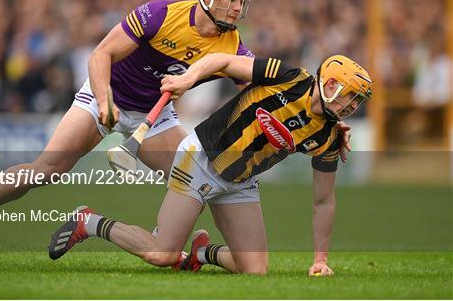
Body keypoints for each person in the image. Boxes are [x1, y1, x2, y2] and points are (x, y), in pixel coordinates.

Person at [0, 0, 256, 266]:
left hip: (154, 115)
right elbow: (101, 53)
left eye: (240, 1)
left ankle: (169, 242)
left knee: (198, 175)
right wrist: (104, 102)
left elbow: (254, 87)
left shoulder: (233, 45)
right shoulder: (160, 15)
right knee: (47, 169)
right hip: (106, 95)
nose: (236, 8)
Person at [47, 53, 372, 276]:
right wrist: (189, 79)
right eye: (350, 96)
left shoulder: (330, 137)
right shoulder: (287, 77)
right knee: (161, 254)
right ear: (330, 84)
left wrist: (320, 260)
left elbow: (323, 201)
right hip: (200, 160)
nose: (352, 106)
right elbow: (226, 61)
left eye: (357, 101)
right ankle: (88, 221)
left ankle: (200, 253)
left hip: (240, 181)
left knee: (256, 269)